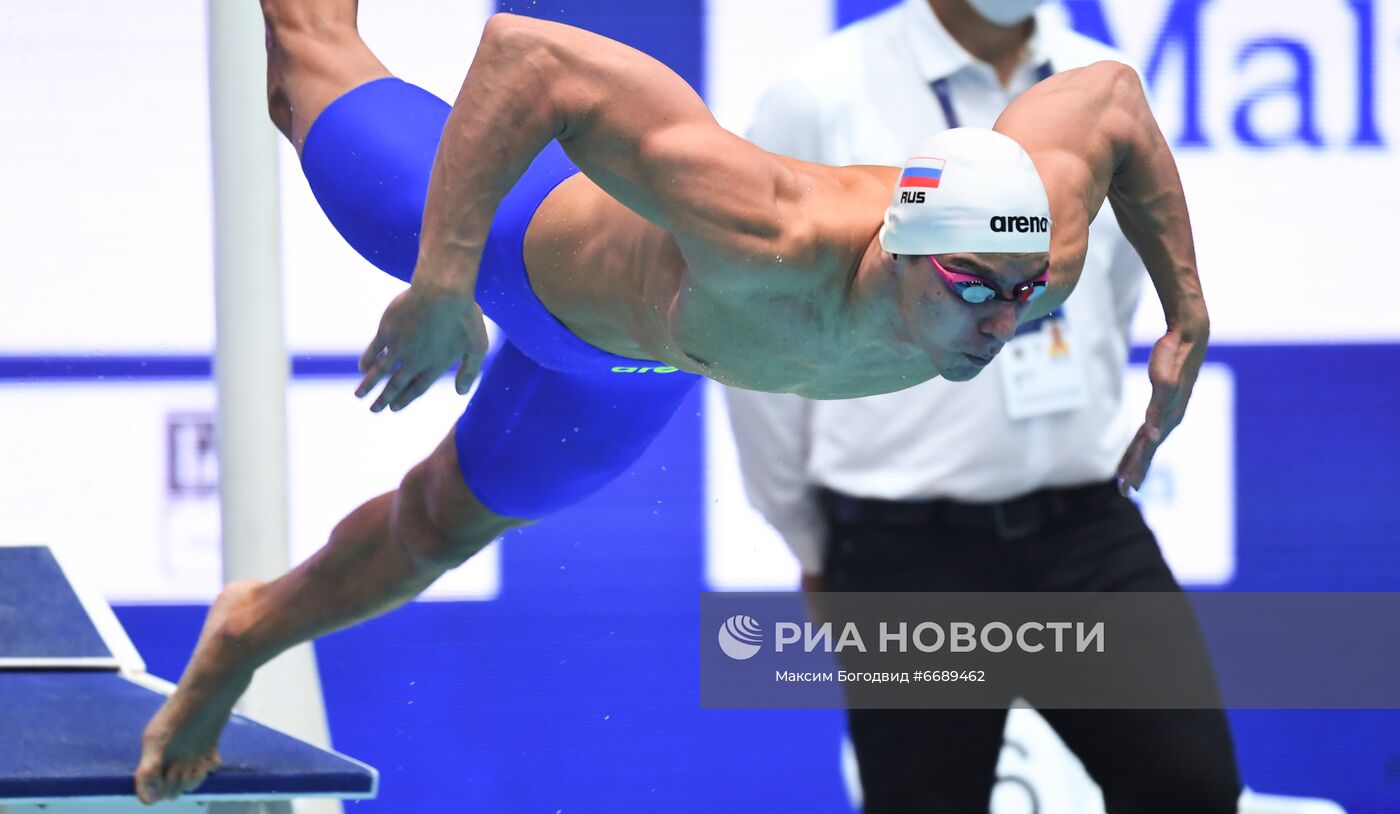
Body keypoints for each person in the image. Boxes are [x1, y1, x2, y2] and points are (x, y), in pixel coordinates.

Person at [133, 0, 1210, 803]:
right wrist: (443, 283)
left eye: (1022, 294)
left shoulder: (1033, 248)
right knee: (304, 69)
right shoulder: (767, 227)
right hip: (515, 250)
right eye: (973, 290)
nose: (1000, 323)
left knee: (433, 530)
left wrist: (1184, 314)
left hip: (634, 372)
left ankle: (240, 636)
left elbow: (1109, 99)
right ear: (897, 250)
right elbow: (528, 57)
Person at [724, 0, 1238, 812]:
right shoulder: (821, 94)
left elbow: (1112, 287)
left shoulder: (1094, 89)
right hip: (906, 551)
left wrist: (1185, 314)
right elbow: (760, 337)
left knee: (1194, 790)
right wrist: (811, 538)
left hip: (1083, 530)